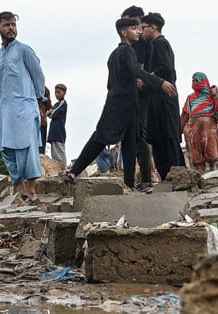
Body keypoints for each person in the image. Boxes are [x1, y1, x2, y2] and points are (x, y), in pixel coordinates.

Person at [60, 18, 177, 189]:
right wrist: (160, 82)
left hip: (128, 105)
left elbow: (115, 81)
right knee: (100, 138)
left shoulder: (114, 55)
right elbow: (136, 71)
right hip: (119, 105)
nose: (138, 31)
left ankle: (128, 184)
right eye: (134, 28)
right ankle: (74, 172)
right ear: (124, 32)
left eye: (139, 28)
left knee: (130, 144)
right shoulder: (126, 51)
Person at [0, 11, 45, 202]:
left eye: (13, 24)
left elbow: (38, 76)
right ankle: (18, 187)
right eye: (7, 25)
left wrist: (39, 100)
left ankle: (30, 190)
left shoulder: (24, 50)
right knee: (6, 149)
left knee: (28, 148)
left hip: (25, 106)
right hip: (6, 108)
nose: (11, 28)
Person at [141, 12, 185, 181]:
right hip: (159, 99)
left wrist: (148, 78)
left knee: (167, 138)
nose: (142, 31)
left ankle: (177, 177)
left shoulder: (160, 44)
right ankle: (168, 177)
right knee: (159, 139)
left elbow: (165, 68)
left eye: (144, 28)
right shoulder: (156, 45)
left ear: (153, 28)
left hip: (164, 100)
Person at [122, 5, 154, 191]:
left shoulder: (140, 44)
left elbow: (139, 70)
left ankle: (145, 179)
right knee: (135, 136)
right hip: (135, 95)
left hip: (140, 96)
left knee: (141, 136)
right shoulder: (137, 43)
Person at [181, 72, 218, 172]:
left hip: (208, 125)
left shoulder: (211, 96)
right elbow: (185, 114)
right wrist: (179, 130)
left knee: (207, 129)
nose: (194, 83)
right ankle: (199, 167)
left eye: (196, 80)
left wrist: (216, 95)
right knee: (190, 132)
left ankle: (214, 163)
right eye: (192, 81)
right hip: (193, 126)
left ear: (203, 81)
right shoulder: (190, 98)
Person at [46, 83, 68, 167]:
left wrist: (50, 112)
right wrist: (50, 112)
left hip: (59, 132)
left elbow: (52, 113)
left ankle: (63, 169)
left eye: (59, 92)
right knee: (54, 154)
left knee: (60, 153)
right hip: (53, 132)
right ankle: (57, 169)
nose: (56, 94)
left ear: (64, 93)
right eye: (55, 92)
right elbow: (50, 113)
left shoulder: (63, 103)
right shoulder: (56, 104)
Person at [38, 86, 53, 154]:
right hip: (41, 121)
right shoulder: (44, 89)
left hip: (34, 121)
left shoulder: (28, 86)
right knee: (41, 149)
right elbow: (49, 105)